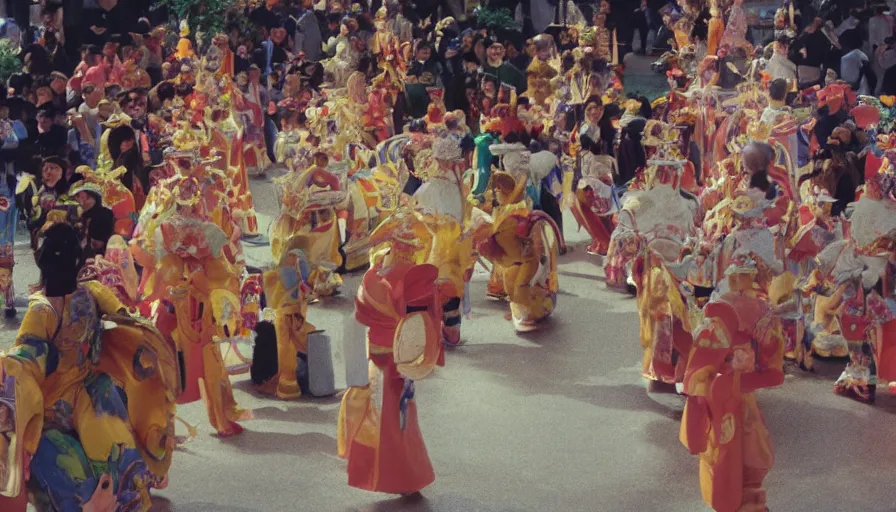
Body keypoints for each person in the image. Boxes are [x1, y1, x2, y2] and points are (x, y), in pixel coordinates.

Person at [0, 222, 179, 510]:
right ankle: (132, 495)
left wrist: (7, 367)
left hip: (53, 407)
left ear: (40, 260)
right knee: (117, 445)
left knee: (59, 461)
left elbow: (27, 359)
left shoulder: (41, 310)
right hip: (91, 392)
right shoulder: (93, 292)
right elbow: (128, 322)